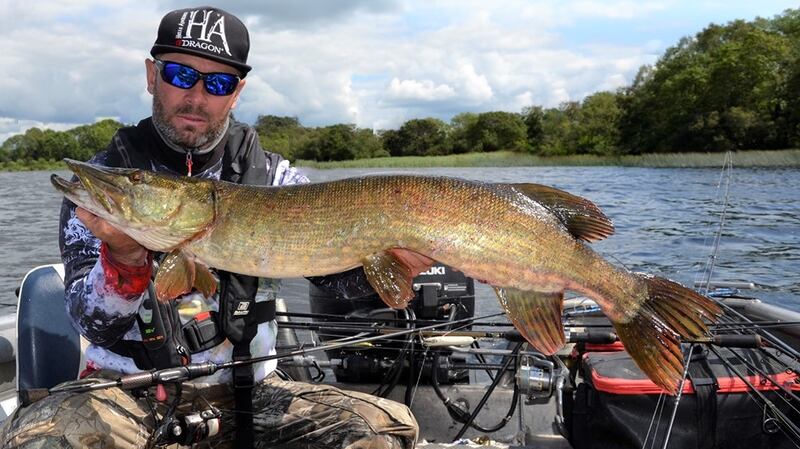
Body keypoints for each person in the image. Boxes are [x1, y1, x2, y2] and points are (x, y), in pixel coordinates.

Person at [1, 6, 431, 449]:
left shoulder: (274, 178)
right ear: (152, 76)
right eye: (180, 75)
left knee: (384, 430)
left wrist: (398, 263)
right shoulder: (108, 188)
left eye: (219, 83)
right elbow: (93, 324)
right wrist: (125, 261)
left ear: (236, 93)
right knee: (40, 440)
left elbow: (336, 282)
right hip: (127, 395)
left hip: (252, 392)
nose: (197, 96)